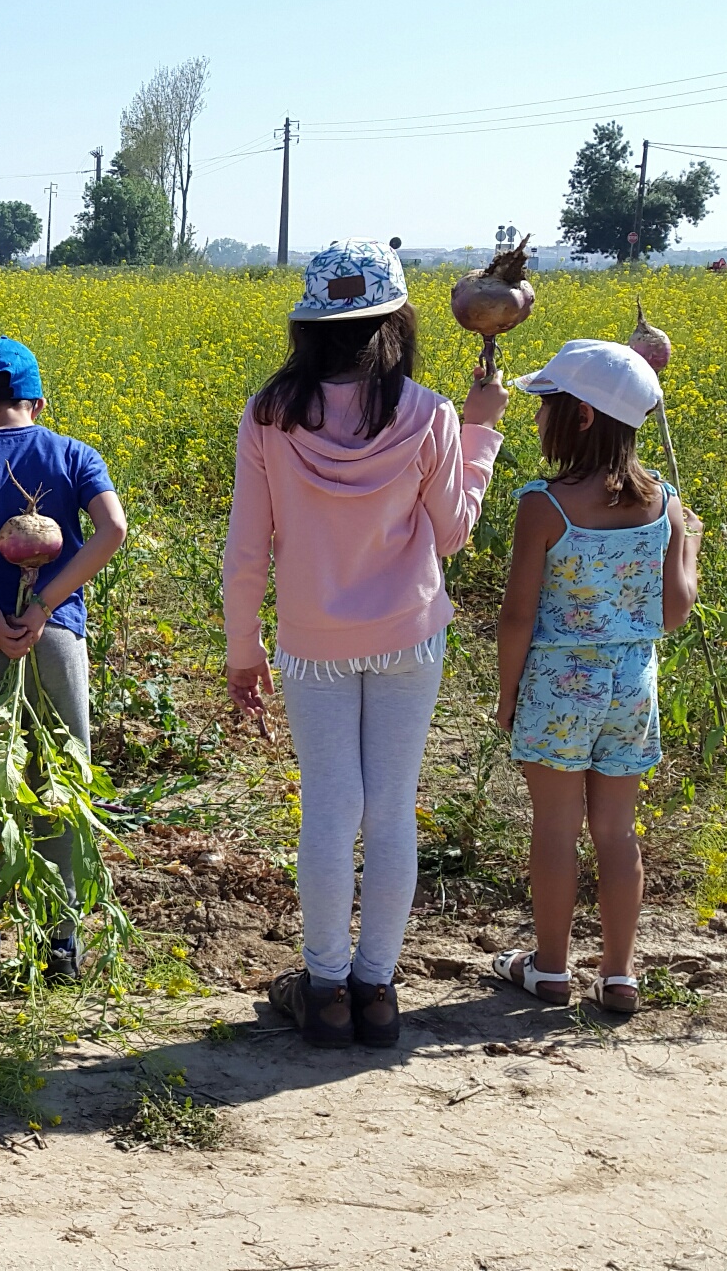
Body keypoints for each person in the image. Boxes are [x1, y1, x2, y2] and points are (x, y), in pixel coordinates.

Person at [223, 238, 507, 1049]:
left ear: (310, 327)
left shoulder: (269, 415)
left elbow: (248, 550)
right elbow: (452, 536)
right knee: (390, 809)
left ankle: (324, 991)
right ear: (397, 321)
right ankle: (377, 993)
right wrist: (481, 434)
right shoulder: (431, 413)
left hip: (311, 643)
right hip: (409, 635)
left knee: (328, 809)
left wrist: (244, 651)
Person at [492, 340, 702, 1015]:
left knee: (555, 826)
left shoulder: (544, 506)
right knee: (616, 830)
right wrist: (689, 544)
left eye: (548, 407)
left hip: (558, 684)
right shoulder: (664, 505)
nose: (538, 420)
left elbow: (517, 616)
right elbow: (675, 612)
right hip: (633, 684)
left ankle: (550, 968)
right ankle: (619, 974)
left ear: (581, 417)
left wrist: (508, 692)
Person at [0, 337, 127, 981]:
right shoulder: (73, 453)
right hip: (56, 634)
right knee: (61, 775)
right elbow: (113, 529)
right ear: (36, 401)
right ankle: (60, 942)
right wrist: (45, 606)